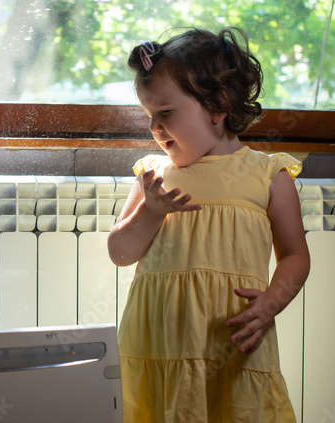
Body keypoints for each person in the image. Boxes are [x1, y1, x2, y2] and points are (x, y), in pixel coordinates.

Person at [108, 27, 310, 423]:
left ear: (218, 107)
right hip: (159, 348)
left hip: (232, 346)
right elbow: (121, 253)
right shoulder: (153, 176)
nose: (155, 127)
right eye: (150, 116)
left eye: (166, 113)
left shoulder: (269, 175)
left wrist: (271, 303)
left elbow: (295, 256)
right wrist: (150, 211)